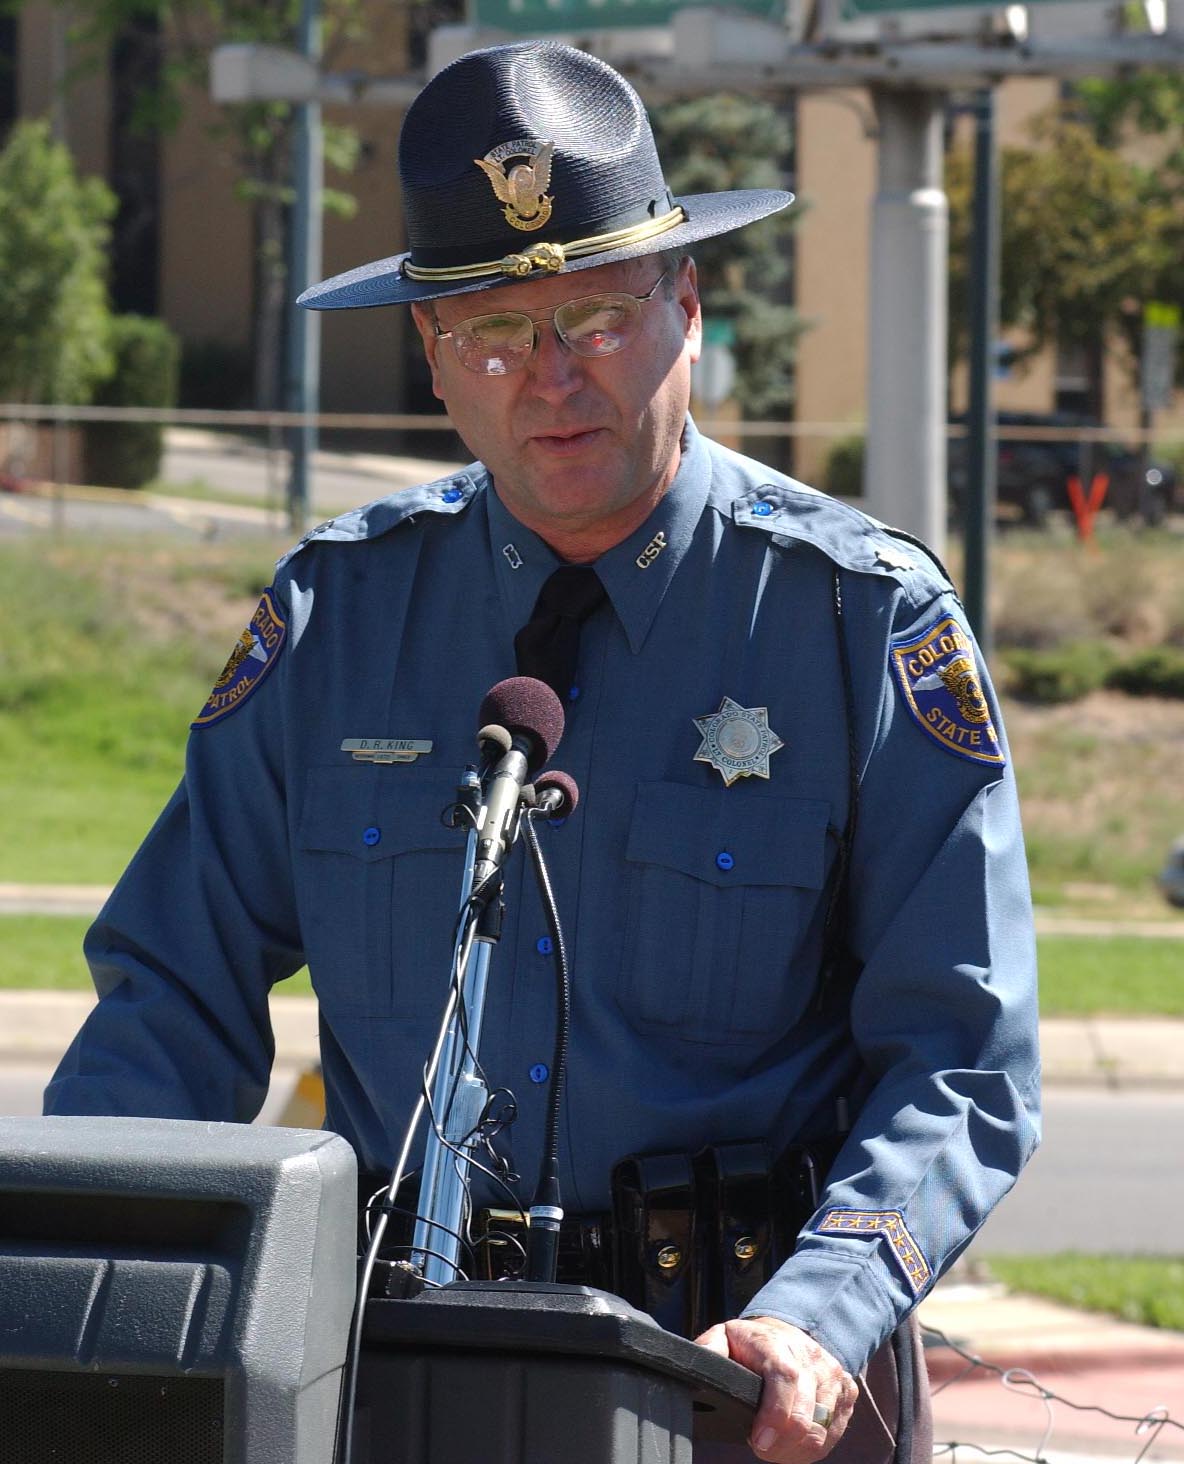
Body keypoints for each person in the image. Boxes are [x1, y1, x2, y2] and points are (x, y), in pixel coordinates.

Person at [44, 39, 1041, 1464]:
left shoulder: (855, 621)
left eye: (597, 316)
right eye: (495, 334)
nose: (551, 379)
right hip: (404, 1376)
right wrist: (86, 1278)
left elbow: (962, 1057)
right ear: (435, 361)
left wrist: (825, 1310)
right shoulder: (341, 619)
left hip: (742, 1391)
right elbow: (170, 1007)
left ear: (686, 304)